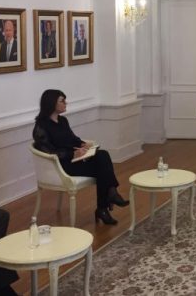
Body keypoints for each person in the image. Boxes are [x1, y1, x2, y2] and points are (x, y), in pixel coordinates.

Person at [32, 89, 128, 225]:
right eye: (62, 101)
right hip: (60, 166)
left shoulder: (63, 120)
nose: (66, 103)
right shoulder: (41, 127)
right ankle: (107, 201)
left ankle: (106, 203)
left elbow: (72, 139)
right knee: (102, 168)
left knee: (102, 155)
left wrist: (82, 144)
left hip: (74, 161)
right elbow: (49, 152)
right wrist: (72, 154)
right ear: (52, 103)